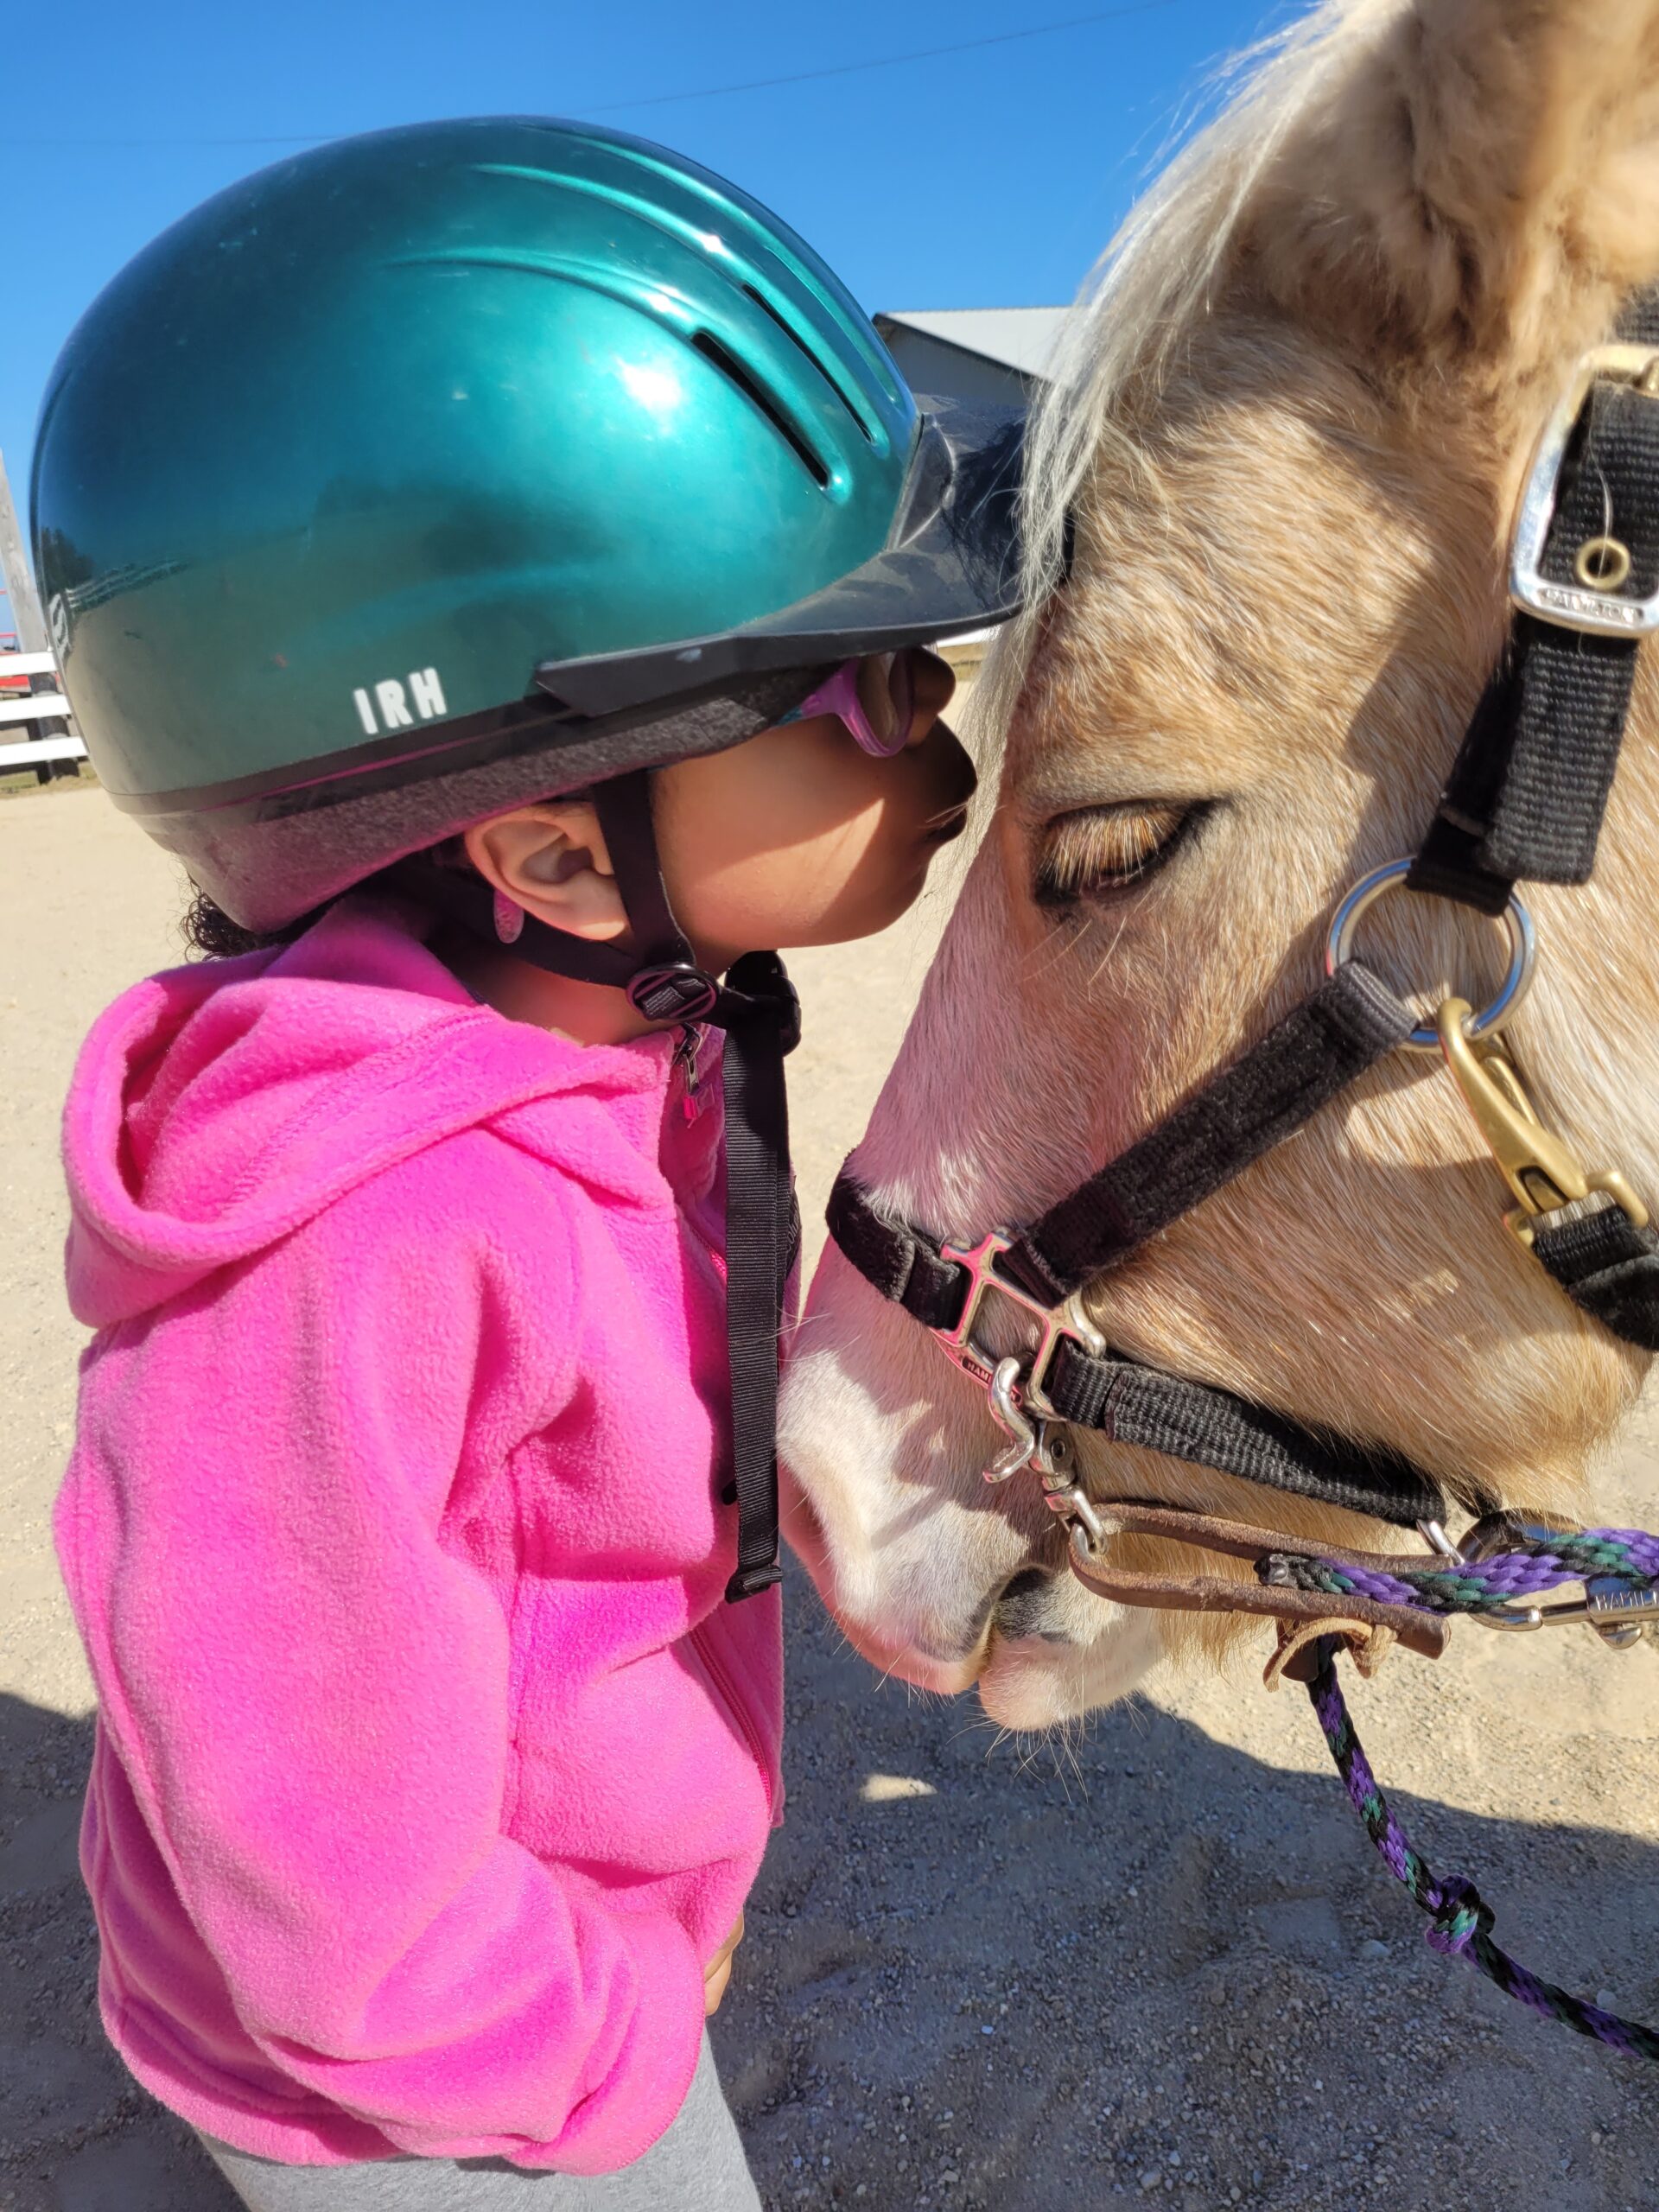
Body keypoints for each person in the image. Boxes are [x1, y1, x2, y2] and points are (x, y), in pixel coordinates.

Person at [37, 118, 1024, 2208]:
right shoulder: (359, 1237)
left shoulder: (618, 1038)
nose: (944, 723)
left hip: (547, 1945)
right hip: (428, 2073)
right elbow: (322, 1868)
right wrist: (599, 2028)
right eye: (859, 684)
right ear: (560, 851)